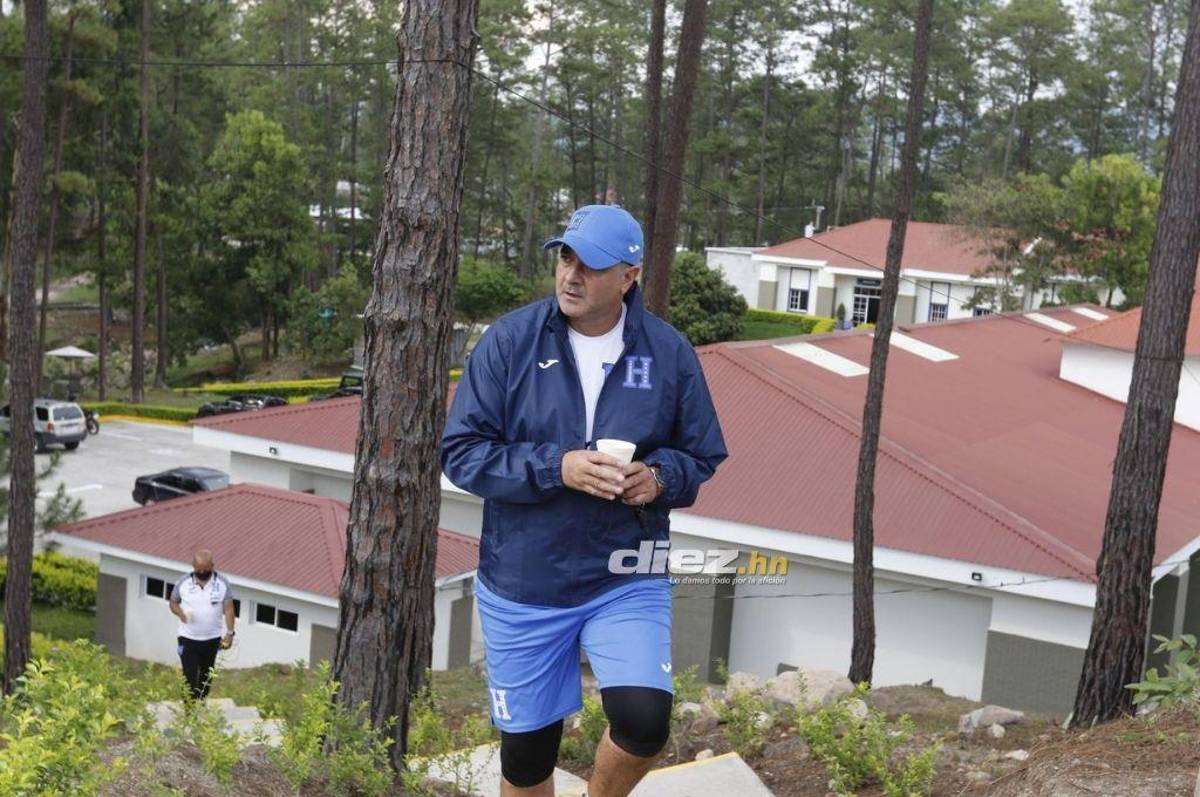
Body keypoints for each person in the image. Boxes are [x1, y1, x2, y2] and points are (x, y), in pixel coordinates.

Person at [442, 204, 727, 797]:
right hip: (525, 577)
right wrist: (558, 467)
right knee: (527, 760)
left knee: (644, 723)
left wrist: (660, 477)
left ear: (629, 276)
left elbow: (701, 454)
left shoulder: (669, 353)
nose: (570, 275)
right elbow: (463, 453)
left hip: (625, 572)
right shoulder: (509, 341)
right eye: (565, 258)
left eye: (590, 266)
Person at [168, 550, 236, 700]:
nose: (203, 572)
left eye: (206, 569)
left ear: (212, 565)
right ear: (193, 566)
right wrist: (180, 613)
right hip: (187, 638)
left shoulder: (222, 583)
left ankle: (201, 702)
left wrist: (230, 633)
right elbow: (173, 602)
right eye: (199, 570)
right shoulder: (183, 582)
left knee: (206, 677)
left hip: (212, 639)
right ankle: (189, 709)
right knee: (189, 676)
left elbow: (229, 609)